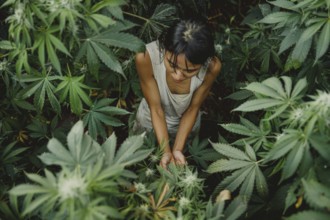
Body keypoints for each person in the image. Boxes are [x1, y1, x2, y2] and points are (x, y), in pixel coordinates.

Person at [133, 18, 221, 168]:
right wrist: (166, 151)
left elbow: (193, 108)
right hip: (151, 119)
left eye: (190, 71)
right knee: (141, 162)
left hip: (186, 123)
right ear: (163, 48)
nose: (178, 76)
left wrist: (177, 150)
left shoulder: (212, 67)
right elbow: (156, 109)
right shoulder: (145, 57)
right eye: (172, 65)